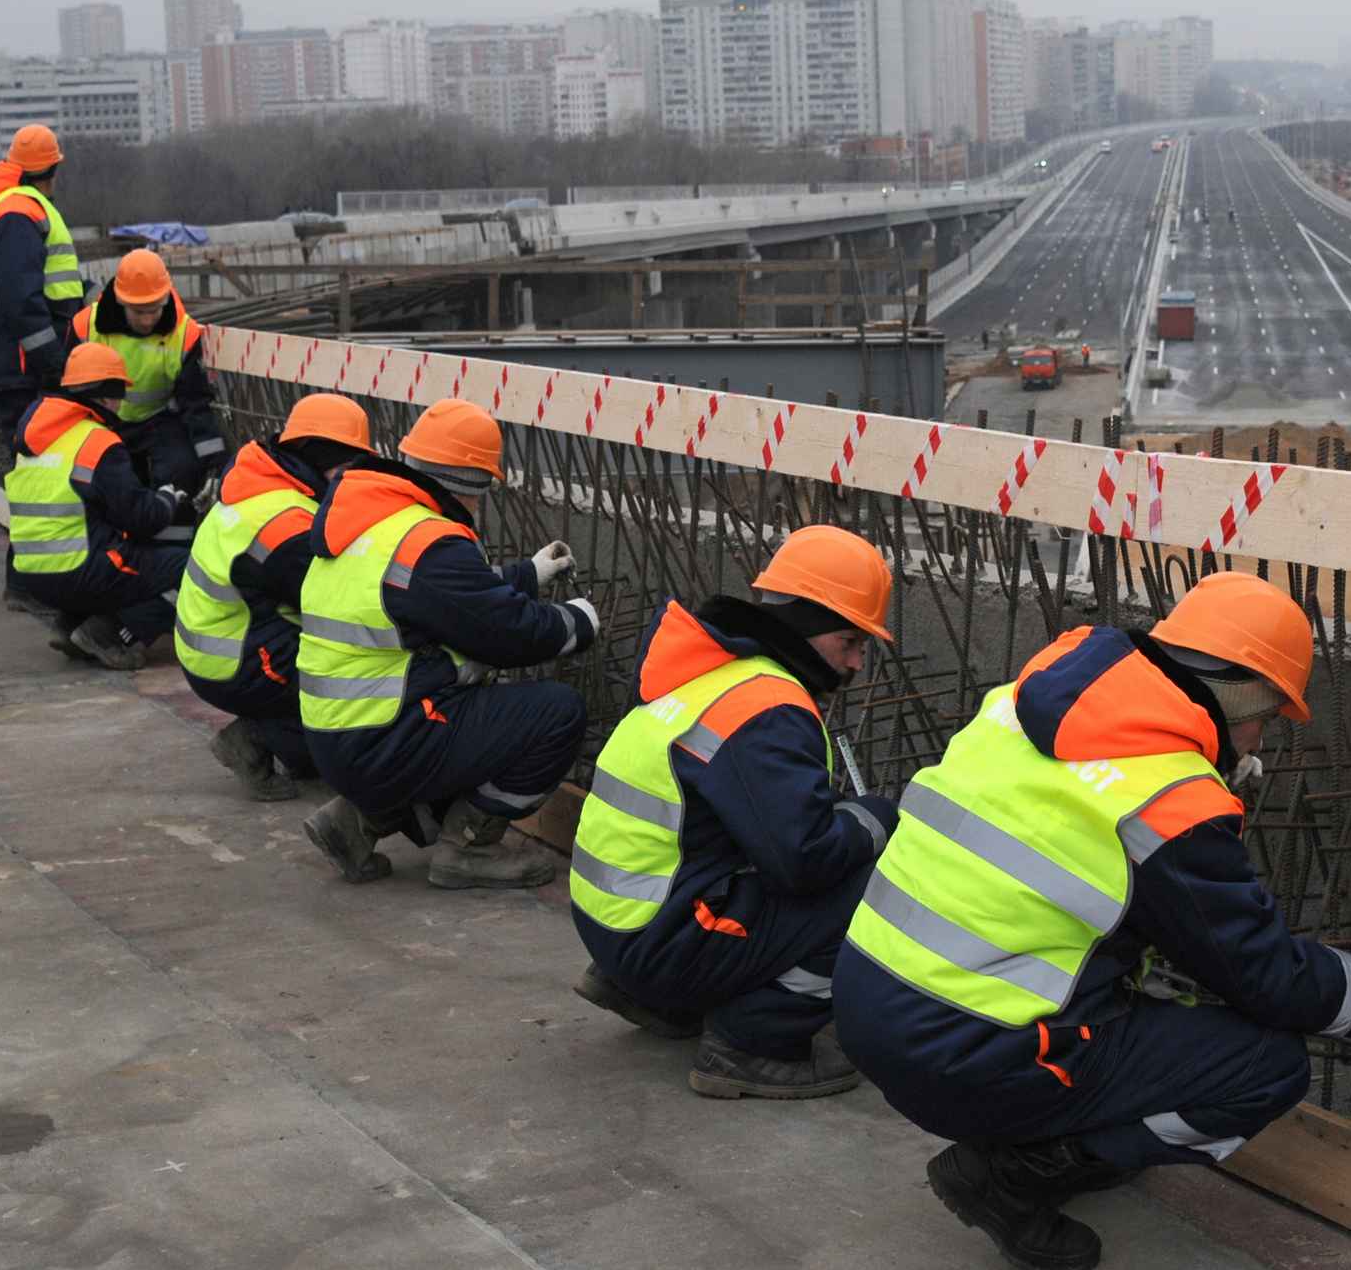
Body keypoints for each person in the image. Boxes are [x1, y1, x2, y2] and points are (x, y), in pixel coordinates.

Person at [834, 573, 1351, 1270]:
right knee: (1264, 1066)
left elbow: (1073, 846)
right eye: (1265, 715)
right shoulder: (1170, 802)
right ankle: (1012, 1174)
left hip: (866, 1001)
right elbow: (1268, 978)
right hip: (962, 1055)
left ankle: (1027, 1128)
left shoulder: (1017, 707)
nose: (1261, 735)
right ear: (1239, 694)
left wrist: (1198, 769)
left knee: (1125, 991)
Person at [568, 525, 900, 1101]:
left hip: (615, 923)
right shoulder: (767, 708)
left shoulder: (711, 671)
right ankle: (754, 1041)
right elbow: (804, 863)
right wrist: (877, 818)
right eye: (850, 643)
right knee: (877, 885)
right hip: (656, 937)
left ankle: (659, 994)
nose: (856, 666)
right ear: (812, 630)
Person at [297, 398, 597, 890]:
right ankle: (470, 848)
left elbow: (444, 596)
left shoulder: (375, 519)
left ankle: (357, 820)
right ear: (473, 484)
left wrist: (527, 574)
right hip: (382, 742)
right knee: (556, 712)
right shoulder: (428, 543)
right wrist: (578, 622)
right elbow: (507, 633)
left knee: (455, 708)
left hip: (340, 735)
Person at [178, 393, 372, 802]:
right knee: (351, 673)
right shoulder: (284, 524)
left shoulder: (258, 483)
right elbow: (335, 600)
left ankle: (285, 738)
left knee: (312, 758)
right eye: (350, 467)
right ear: (325, 458)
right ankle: (253, 738)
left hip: (215, 647)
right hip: (235, 659)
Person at [4, 344, 199, 671]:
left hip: (32, 574)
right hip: (80, 568)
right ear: (107, 395)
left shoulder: (39, 435)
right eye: (119, 394)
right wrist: (167, 499)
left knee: (121, 554)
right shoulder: (96, 442)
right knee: (191, 570)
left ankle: (73, 625)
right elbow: (140, 517)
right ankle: (113, 634)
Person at [0, 124, 85, 616]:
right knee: (37, 473)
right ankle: (28, 584)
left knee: (32, 470)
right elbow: (20, 301)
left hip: (16, 365)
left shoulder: (17, 208)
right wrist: (53, 364)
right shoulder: (20, 212)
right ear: (53, 170)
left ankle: (26, 581)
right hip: (24, 368)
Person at [72, 249, 227, 494]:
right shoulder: (85, 327)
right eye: (139, 312)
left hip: (159, 420)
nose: (147, 320)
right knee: (104, 480)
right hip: (101, 421)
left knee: (182, 470)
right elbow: (68, 392)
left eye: (154, 310)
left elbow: (195, 403)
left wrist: (215, 465)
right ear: (121, 302)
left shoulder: (184, 334)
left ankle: (171, 526)